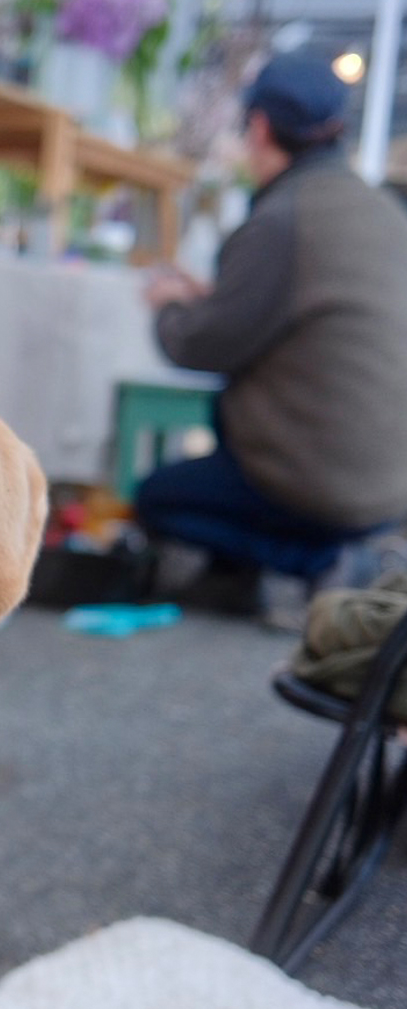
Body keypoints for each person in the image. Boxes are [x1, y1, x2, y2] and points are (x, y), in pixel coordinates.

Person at [139, 49, 407, 616]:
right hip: (392, 485)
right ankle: (335, 551)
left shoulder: (282, 217)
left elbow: (200, 346)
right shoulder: (383, 210)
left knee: (156, 498)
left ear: (259, 127)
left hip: (318, 485)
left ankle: (318, 561)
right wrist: (211, 300)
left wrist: (167, 305)